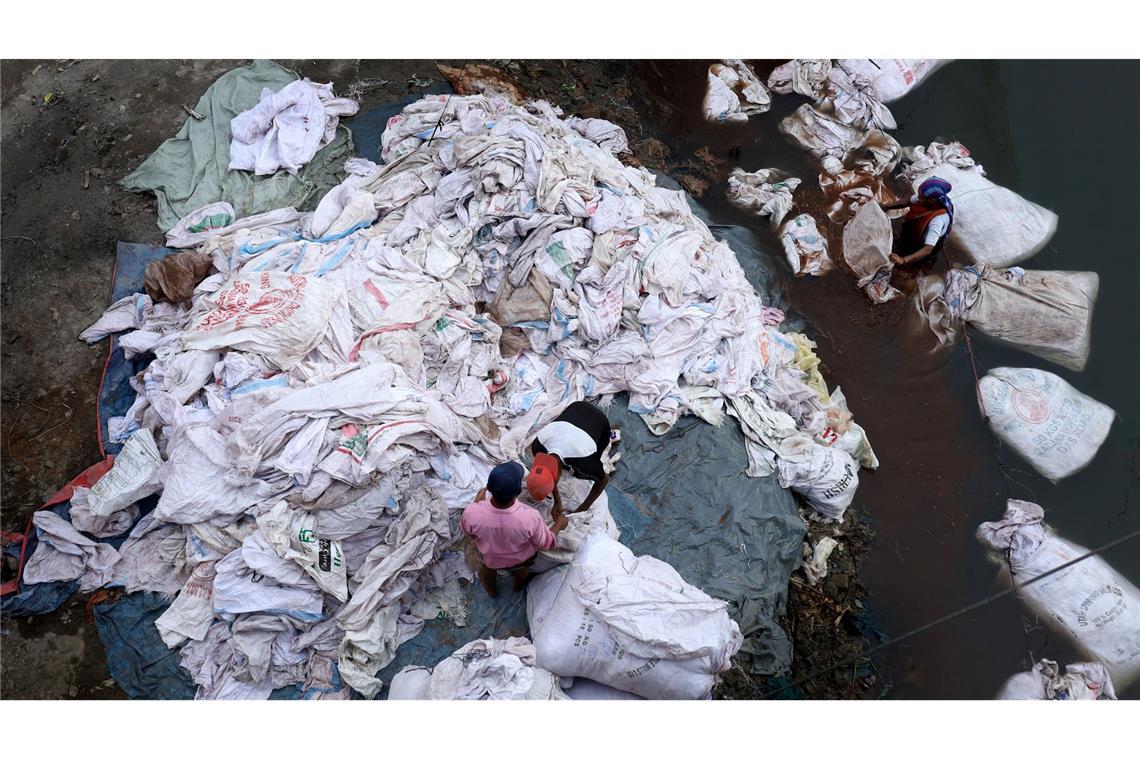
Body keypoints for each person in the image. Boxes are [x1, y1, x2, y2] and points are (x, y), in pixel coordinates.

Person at [460, 461, 568, 598]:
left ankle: (491, 591)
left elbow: (467, 531)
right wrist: (559, 524)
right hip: (521, 560)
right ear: (518, 491)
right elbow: (544, 544)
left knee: (487, 574)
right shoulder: (530, 517)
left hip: (491, 559)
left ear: (488, 487)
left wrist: (477, 505)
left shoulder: (472, 512)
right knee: (522, 573)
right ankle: (517, 586)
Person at [526, 400, 615, 513]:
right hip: (575, 407)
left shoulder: (584, 461)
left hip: (600, 421)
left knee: (587, 468)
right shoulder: (537, 446)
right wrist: (558, 501)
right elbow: (549, 473)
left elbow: (604, 480)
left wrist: (583, 508)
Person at [880, 176, 955, 268]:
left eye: (921, 197)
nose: (918, 198)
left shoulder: (937, 221)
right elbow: (909, 200)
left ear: (931, 201)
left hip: (919, 245)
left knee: (906, 268)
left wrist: (903, 260)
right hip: (913, 231)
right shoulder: (928, 199)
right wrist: (887, 206)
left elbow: (928, 249)